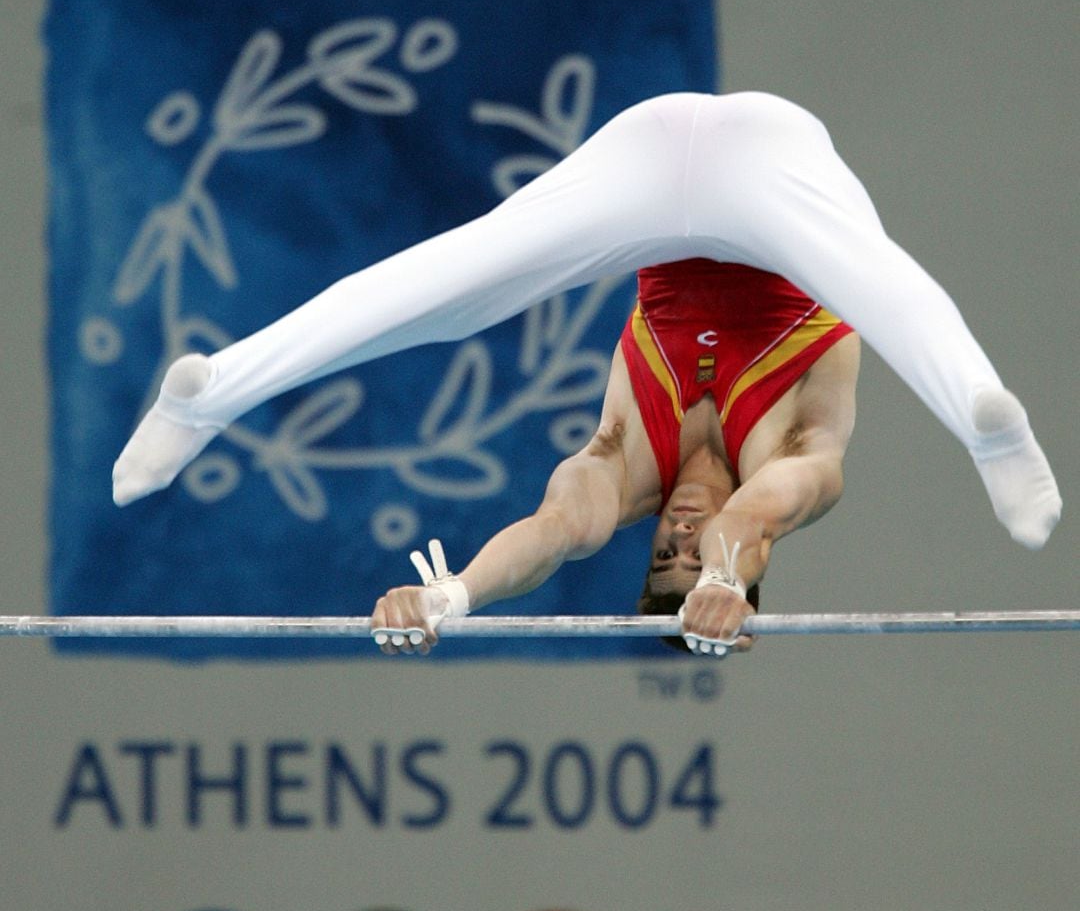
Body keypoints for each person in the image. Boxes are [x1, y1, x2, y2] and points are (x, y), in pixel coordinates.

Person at [111, 91, 1062, 653]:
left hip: (645, 160)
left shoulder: (622, 462)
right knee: (877, 278)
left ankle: (211, 392)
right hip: (777, 167)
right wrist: (721, 582)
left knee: (462, 280)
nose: (683, 537)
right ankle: (988, 420)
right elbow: (749, 520)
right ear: (751, 570)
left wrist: (452, 599)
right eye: (691, 561)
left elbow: (555, 531)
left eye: (664, 556)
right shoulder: (798, 455)